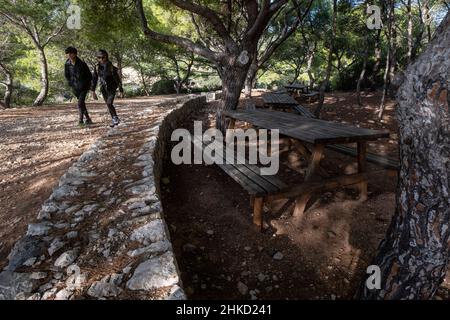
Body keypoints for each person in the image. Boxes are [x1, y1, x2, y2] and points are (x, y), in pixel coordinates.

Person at [91, 49, 123, 127]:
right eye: (99, 57)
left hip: (112, 87)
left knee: (109, 103)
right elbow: (94, 79)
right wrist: (93, 91)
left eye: (103, 57)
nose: (101, 59)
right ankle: (115, 119)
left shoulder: (112, 67)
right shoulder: (97, 67)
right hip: (103, 88)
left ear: (106, 57)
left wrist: (120, 90)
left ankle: (115, 118)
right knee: (108, 105)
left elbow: (117, 79)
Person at [64, 46, 93, 127]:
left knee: (80, 103)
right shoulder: (67, 64)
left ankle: (80, 120)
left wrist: (88, 86)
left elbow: (90, 76)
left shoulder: (82, 64)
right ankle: (88, 118)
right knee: (82, 103)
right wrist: (70, 82)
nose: (68, 55)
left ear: (75, 54)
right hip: (75, 88)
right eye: (67, 54)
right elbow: (66, 75)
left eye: (70, 53)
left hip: (84, 87)